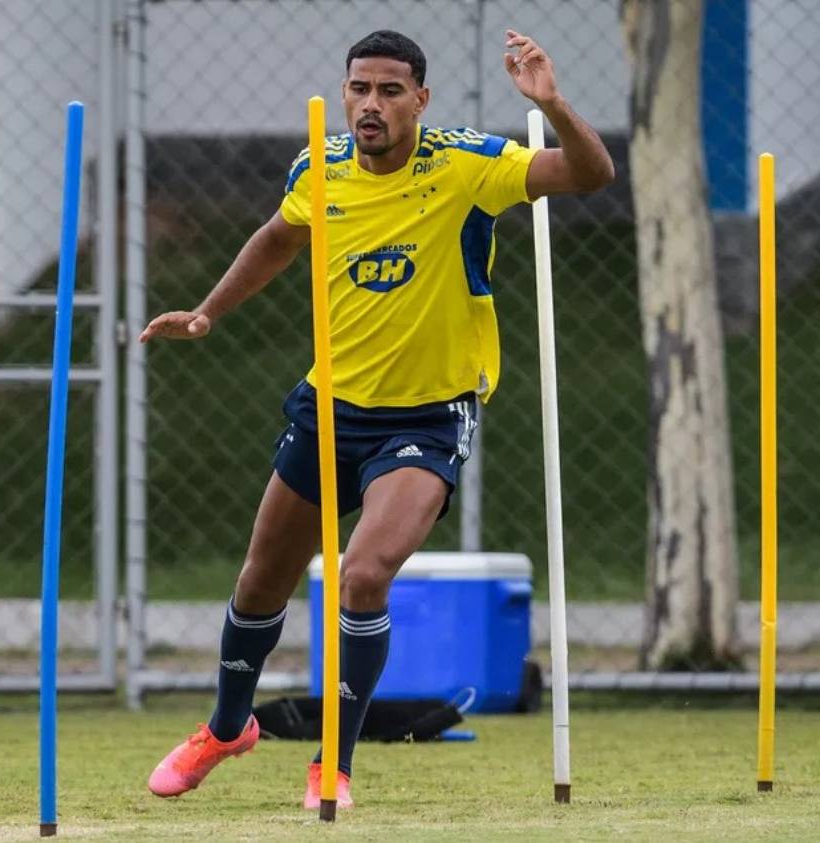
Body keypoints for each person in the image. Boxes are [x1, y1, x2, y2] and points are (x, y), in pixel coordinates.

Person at [140, 28, 613, 810]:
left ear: (419, 101)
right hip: (331, 405)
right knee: (261, 579)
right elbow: (278, 237)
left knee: (363, 574)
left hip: (427, 415)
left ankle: (335, 762)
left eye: (391, 91)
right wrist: (206, 313)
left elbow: (590, 176)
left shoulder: (467, 164)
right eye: (360, 88)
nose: (370, 104)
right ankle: (227, 728)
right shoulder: (318, 166)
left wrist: (553, 103)